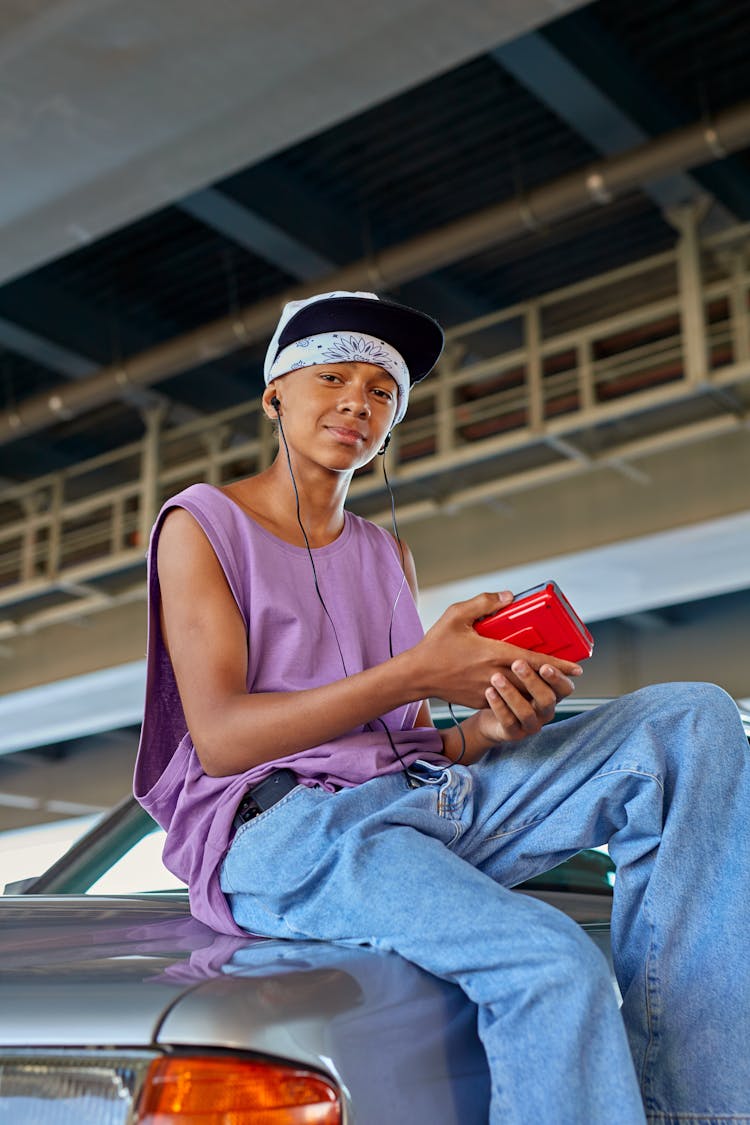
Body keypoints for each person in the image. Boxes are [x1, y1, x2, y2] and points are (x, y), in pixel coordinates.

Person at [134, 289, 750, 1125]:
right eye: (334, 378)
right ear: (276, 392)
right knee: (551, 962)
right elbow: (221, 739)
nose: (359, 401)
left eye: (382, 391)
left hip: (421, 799)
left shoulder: (387, 552)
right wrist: (420, 667)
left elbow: (404, 743)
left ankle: (695, 1111)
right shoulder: (204, 524)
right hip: (290, 832)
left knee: (691, 720)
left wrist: (486, 728)